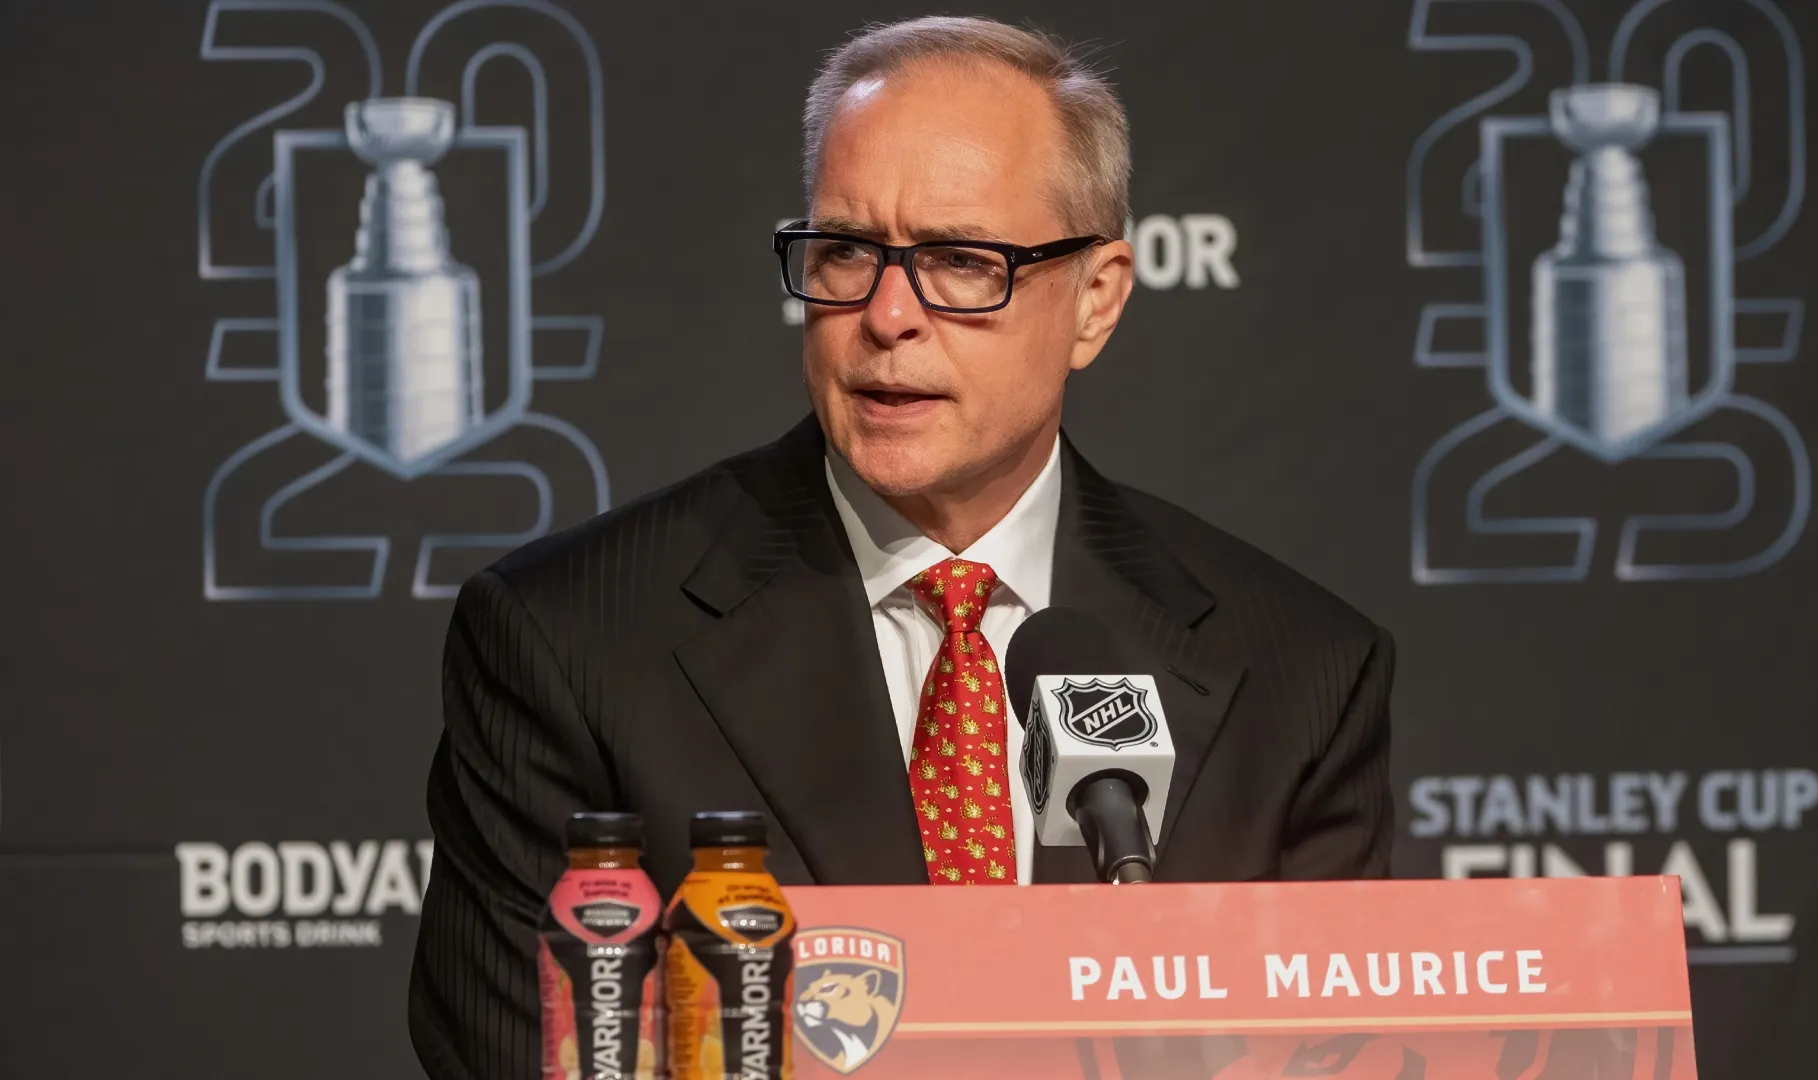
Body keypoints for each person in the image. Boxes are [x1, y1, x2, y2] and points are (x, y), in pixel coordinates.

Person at [410, 15, 1393, 1078]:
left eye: (962, 263)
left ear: (1095, 301)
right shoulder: (573, 642)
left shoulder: (1298, 674)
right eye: (845, 252)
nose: (886, 316)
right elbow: (515, 1053)